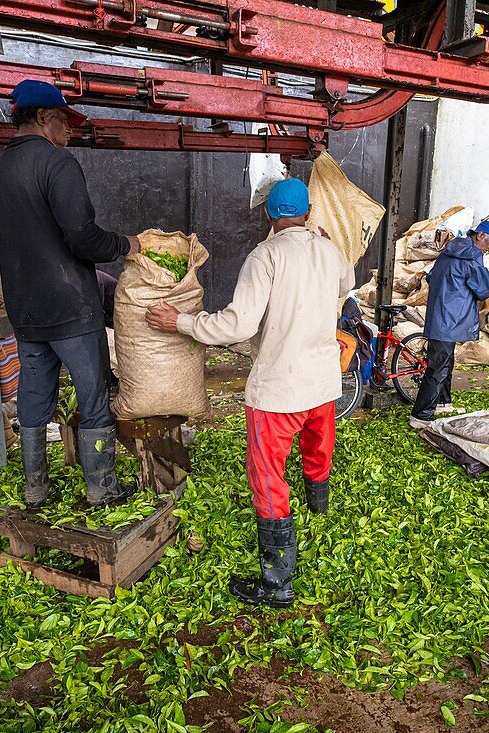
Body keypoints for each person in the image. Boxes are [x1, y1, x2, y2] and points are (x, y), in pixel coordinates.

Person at [145, 178, 355, 609]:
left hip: (280, 388)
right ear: (309, 212)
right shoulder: (328, 249)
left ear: (269, 216)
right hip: (321, 381)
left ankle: (277, 582)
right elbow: (344, 282)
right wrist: (326, 244)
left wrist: (180, 323)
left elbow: (237, 326)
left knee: (267, 474)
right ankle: (318, 508)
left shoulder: (265, 257)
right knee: (319, 447)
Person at [0, 79, 142, 509]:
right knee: (92, 396)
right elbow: (82, 237)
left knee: (35, 394)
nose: (70, 130)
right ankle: (101, 488)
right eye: (64, 121)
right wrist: (124, 244)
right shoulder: (58, 164)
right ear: (42, 118)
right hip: (70, 305)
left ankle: (35, 488)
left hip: (27, 309)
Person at [408, 220, 489, 429]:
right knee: (438, 367)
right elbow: (484, 289)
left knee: (445, 362)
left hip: (440, 314)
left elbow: (431, 277)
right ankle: (421, 415)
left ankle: (443, 403)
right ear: (480, 235)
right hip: (449, 318)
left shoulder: (450, 251)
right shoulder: (471, 257)